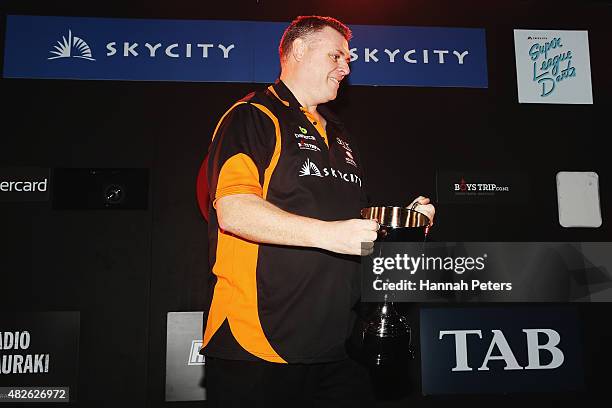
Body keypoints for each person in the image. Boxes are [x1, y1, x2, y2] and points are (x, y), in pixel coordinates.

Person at [196, 15, 435, 407]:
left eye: (348, 59)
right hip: (259, 342)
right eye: (337, 55)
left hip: (340, 345)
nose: (347, 66)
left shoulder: (340, 134)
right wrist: (329, 235)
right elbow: (234, 211)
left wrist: (402, 219)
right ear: (300, 50)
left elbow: (349, 223)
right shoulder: (253, 116)